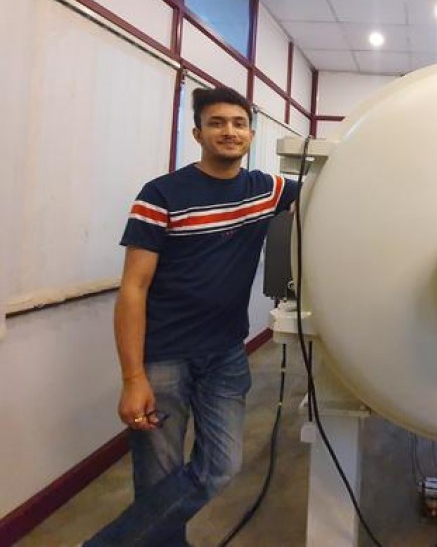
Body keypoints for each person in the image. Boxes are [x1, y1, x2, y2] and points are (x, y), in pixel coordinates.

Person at [85, 86, 298, 546]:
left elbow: (334, 190)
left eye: (239, 123)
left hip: (224, 355)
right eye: (218, 123)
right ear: (198, 132)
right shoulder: (162, 194)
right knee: (159, 481)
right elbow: (133, 288)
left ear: (251, 133)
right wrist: (132, 377)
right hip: (163, 359)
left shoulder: (267, 189)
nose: (229, 131)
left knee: (221, 466)